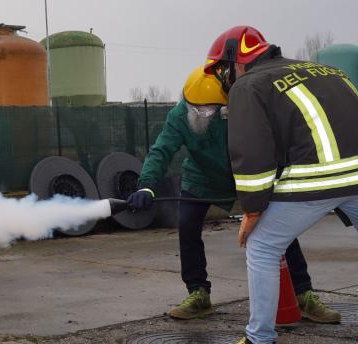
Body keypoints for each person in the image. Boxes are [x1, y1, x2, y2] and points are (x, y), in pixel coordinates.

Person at [127, 66, 340, 323]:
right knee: (187, 226)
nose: (198, 112)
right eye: (193, 106)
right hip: (200, 179)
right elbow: (161, 150)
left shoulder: (242, 112)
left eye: (206, 109)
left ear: (223, 106)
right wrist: (146, 185)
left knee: (280, 229)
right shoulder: (180, 115)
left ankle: (303, 294)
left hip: (247, 177)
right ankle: (198, 294)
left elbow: (273, 144)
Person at [204, 25, 358, 344]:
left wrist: (253, 209)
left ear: (234, 62)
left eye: (220, 70)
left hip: (319, 177)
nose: (222, 79)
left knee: (262, 246)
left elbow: (252, 153)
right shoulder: (328, 71)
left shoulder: (249, 85)